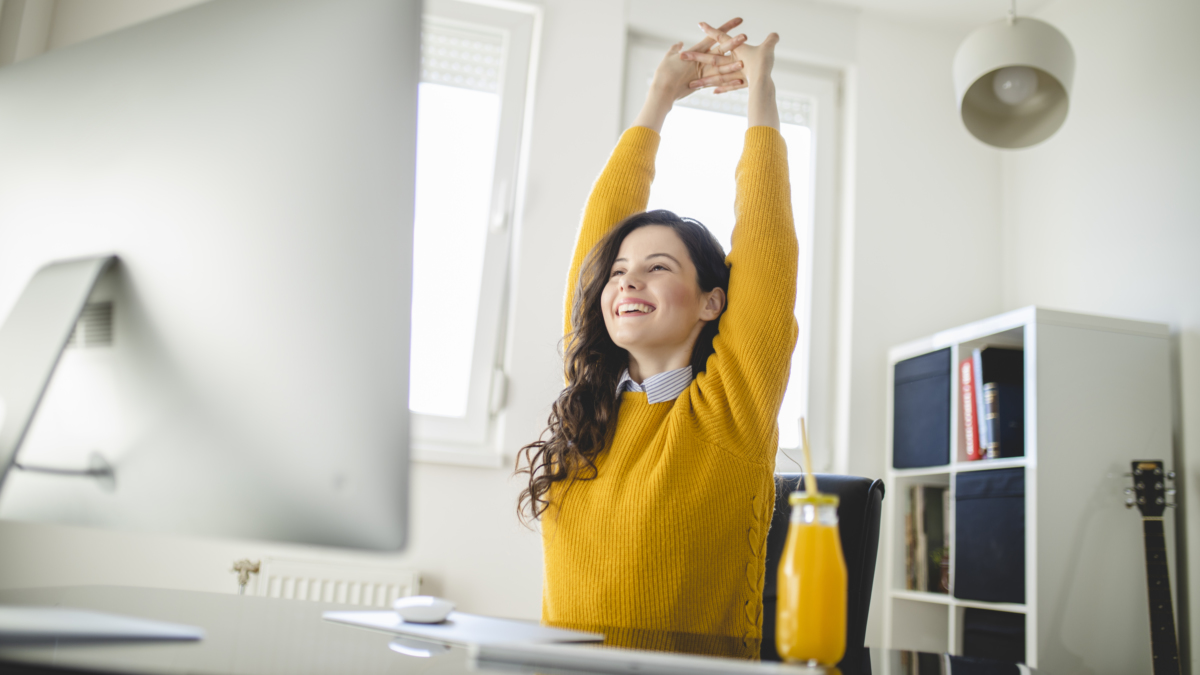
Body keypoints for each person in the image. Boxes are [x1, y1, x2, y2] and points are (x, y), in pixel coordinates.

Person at [515, 18, 797, 660]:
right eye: (618, 274)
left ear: (711, 302)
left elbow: (767, 248)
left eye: (657, 268)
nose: (626, 282)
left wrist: (760, 90)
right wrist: (658, 98)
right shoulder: (588, 401)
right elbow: (599, 239)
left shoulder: (731, 408)